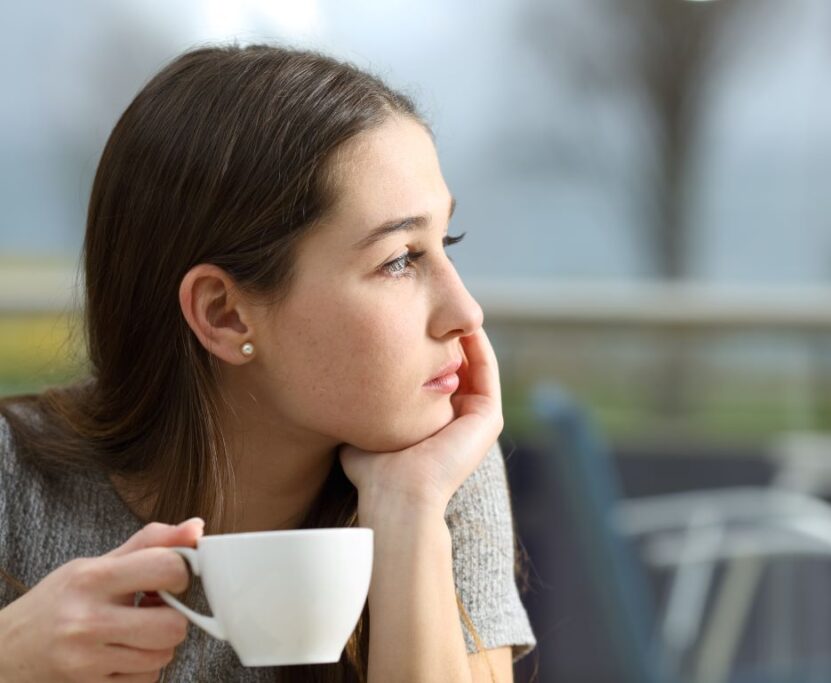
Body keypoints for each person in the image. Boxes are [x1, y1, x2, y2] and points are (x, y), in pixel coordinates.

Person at [0, 44, 535, 682]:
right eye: (399, 259)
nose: (466, 312)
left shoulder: (433, 467)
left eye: (445, 243)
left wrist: (410, 511)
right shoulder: (13, 484)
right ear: (224, 314)